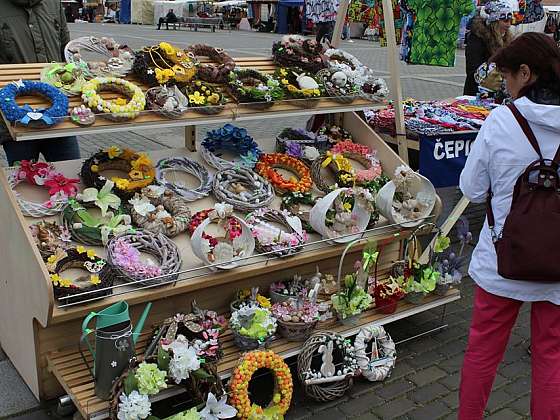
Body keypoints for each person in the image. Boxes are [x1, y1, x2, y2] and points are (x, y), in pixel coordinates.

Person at [459, 32, 560, 420]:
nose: (506, 86)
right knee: (551, 356)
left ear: (526, 72)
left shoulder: (502, 120)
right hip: (557, 266)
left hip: (502, 260)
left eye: (507, 77)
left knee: (483, 351)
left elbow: (471, 189)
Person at [0, 0, 80, 165]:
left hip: (58, 115)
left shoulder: (53, 4)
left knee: (72, 174)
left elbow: (66, 52)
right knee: (22, 184)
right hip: (16, 121)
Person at [463, 0, 513, 96]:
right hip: (477, 93)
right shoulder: (477, 38)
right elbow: (473, 70)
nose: (509, 25)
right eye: (505, 21)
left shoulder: (507, 39)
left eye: (511, 21)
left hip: (500, 94)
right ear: (494, 21)